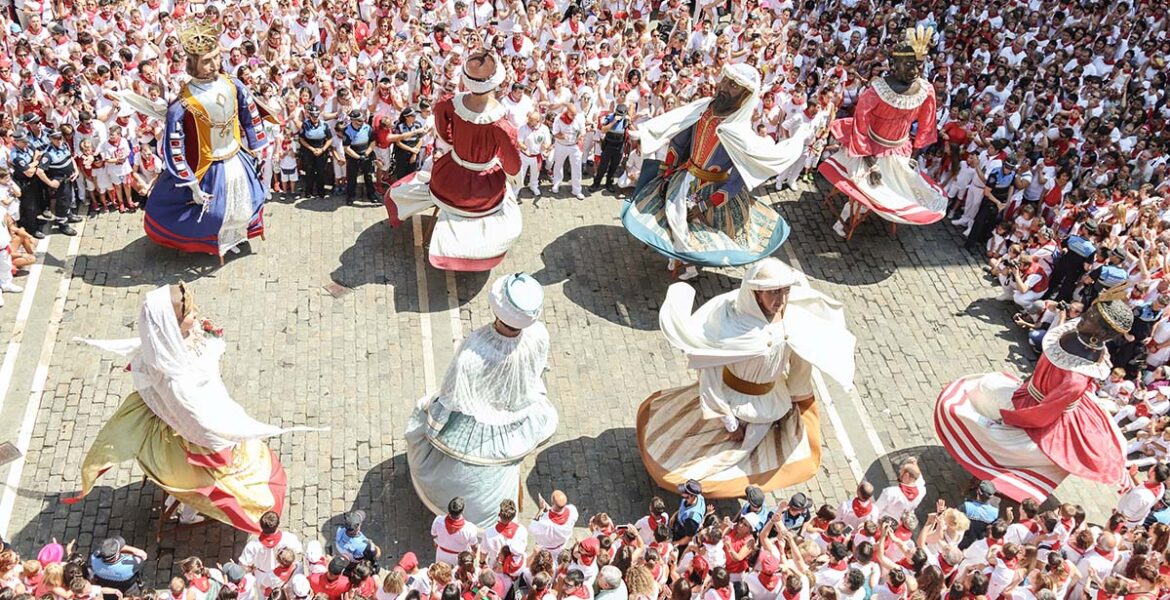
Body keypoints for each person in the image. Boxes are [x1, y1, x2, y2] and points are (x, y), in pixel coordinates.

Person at [69, 283, 317, 532]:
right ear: (171, 323)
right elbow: (193, 419)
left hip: (206, 412)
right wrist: (223, 440)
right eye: (190, 314)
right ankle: (188, 513)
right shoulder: (170, 376)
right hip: (191, 434)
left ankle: (180, 501)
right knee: (207, 485)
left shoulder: (164, 341)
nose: (196, 315)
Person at [637, 258, 855, 497]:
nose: (780, 300)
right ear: (756, 293)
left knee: (748, 452)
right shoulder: (732, 326)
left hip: (770, 401)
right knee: (719, 458)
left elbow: (801, 359)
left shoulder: (792, 318)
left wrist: (797, 394)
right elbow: (709, 374)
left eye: (785, 291)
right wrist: (728, 421)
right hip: (731, 401)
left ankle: (745, 487)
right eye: (773, 292)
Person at [935, 285, 1133, 501]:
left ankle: (992, 479)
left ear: (1102, 333)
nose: (1086, 314)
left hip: (1041, 415)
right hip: (1033, 393)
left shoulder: (1076, 377)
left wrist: (1010, 417)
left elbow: (1045, 412)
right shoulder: (1078, 330)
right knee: (986, 386)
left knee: (998, 438)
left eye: (1092, 316)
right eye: (1092, 310)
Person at [622, 64, 805, 281]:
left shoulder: (740, 135)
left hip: (711, 191)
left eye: (735, 86)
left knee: (688, 225)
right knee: (670, 217)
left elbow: (737, 180)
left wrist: (705, 204)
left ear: (745, 96)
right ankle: (679, 257)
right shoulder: (702, 110)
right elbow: (680, 141)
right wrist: (667, 170)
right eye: (726, 80)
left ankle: (688, 262)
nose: (725, 87)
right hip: (684, 175)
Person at [405, 273, 556, 526]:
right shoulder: (538, 335)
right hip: (518, 415)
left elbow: (452, 394)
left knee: (425, 413)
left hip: (473, 416)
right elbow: (536, 372)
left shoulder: (474, 349)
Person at [136, 16, 269, 260]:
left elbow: (249, 112)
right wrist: (192, 184)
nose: (214, 64)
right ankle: (214, 244)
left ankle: (235, 237)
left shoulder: (233, 84)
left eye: (217, 57)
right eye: (207, 61)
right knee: (214, 213)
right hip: (208, 165)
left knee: (246, 203)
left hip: (236, 155)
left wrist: (258, 146)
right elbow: (174, 148)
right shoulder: (183, 105)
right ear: (192, 64)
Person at [385, 49, 523, 271]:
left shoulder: (450, 103)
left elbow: (441, 126)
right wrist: (512, 176)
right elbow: (513, 164)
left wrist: (455, 144)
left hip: (452, 171)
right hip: (482, 182)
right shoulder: (502, 125)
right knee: (505, 197)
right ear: (496, 82)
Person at [819, 27, 947, 239]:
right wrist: (871, 163)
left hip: (900, 150)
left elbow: (926, 125)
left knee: (906, 189)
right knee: (866, 188)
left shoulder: (926, 90)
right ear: (895, 65)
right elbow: (861, 127)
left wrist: (913, 156)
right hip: (869, 148)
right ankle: (844, 220)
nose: (915, 70)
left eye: (919, 65)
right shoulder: (876, 91)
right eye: (909, 64)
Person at [36, 128, 79, 236]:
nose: (59, 140)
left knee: (69, 199)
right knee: (62, 203)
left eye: (60, 137)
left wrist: (76, 170)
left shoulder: (64, 145)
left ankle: (68, 215)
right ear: (50, 139)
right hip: (60, 181)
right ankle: (62, 224)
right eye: (56, 138)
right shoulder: (48, 154)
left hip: (69, 178)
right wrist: (51, 183)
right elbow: (39, 171)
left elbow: (70, 158)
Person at [591, 103, 629, 193]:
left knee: (614, 166)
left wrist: (629, 122)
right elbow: (603, 129)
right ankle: (596, 183)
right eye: (618, 114)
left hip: (619, 146)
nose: (620, 116)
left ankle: (609, 183)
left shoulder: (626, 119)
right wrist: (614, 122)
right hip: (609, 145)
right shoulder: (610, 117)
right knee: (602, 166)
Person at [341, 110, 376, 204]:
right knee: (352, 177)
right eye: (359, 120)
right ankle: (350, 196)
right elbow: (346, 148)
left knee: (368, 176)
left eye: (362, 119)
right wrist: (358, 157)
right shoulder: (347, 130)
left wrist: (366, 154)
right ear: (353, 120)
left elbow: (373, 142)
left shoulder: (367, 127)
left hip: (366, 153)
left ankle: (371, 194)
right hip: (353, 155)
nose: (362, 121)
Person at [298, 105, 332, 198]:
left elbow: (329, 139)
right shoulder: (305, 125)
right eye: (313, 116)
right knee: (309, 171)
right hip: (309, 150)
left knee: (321, 172)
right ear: (310, 115)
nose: (315, 118)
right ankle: (309, 191)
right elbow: (301, 139)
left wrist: (323, 149)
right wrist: (312, 149)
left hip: (321, 149)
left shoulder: (325, 125)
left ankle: (321, 191)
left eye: (316, 116)